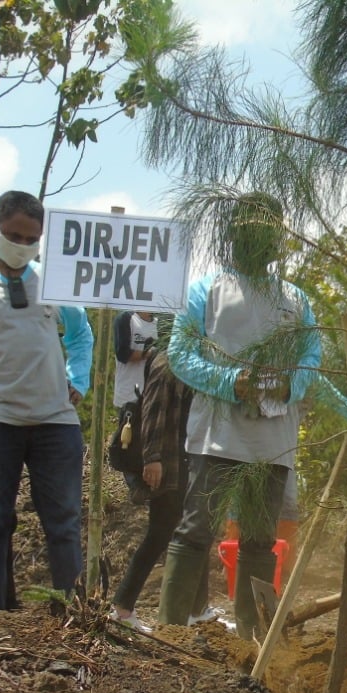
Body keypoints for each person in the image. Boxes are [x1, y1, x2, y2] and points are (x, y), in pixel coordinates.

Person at [156, 192, 319, 640]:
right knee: (196, 530)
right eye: (249, 227)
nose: (260, 237)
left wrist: (292, 385)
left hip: (273, 440)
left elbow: (312, 357)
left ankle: (254, 639)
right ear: (231, 233)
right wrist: (231, 382)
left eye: (269, 228)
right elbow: (181, 354)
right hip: (217, 435)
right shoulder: (207, 290)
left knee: (260, 540)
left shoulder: (295, 300)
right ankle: (170, 635)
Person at [0, 190, 94, 613]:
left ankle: (70, 615)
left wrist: (77, 378)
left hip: (55, 421)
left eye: (31, 239)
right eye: (13, 235)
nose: (22, 245)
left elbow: (81, 334)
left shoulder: (53, 280)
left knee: (63, 523)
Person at [110, 343, 194, 633]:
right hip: (168, 464)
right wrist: (153, 458)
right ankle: (122, 608)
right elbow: (153, 410)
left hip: (181, 463)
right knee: (161, 533)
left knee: (187, 532)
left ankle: (196, 610)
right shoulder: (168, 362)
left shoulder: (187, 359)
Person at [113, 309, 158, 501]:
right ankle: (134, 485)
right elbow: (122, 352)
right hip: (128, 392)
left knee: (149, 439)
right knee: (127, 441)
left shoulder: (160, 323)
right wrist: (148, 354)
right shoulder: (126, 319)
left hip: (152, 392)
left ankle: (148, 484)